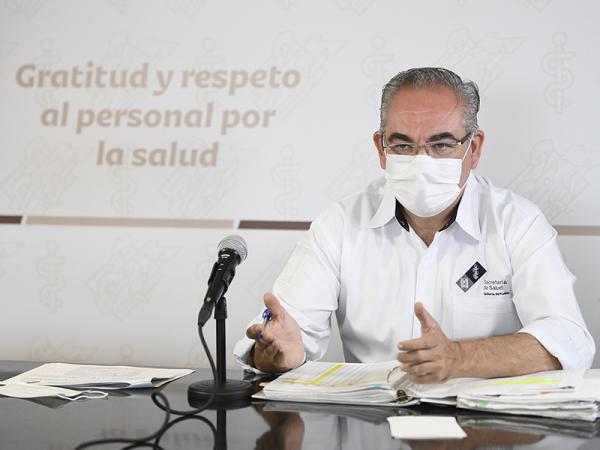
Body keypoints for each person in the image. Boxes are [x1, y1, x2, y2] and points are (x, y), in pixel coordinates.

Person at [233, 67, 595, 383]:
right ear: (381, 149)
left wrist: (459, 358)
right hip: (372, 423)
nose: (422, 162)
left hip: (483, 426)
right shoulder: (340, 225)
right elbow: (285, 339)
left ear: (474, 148)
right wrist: (276, 355)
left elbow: (569, 340)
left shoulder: (517, 222)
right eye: (403, 146)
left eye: (441, 145)